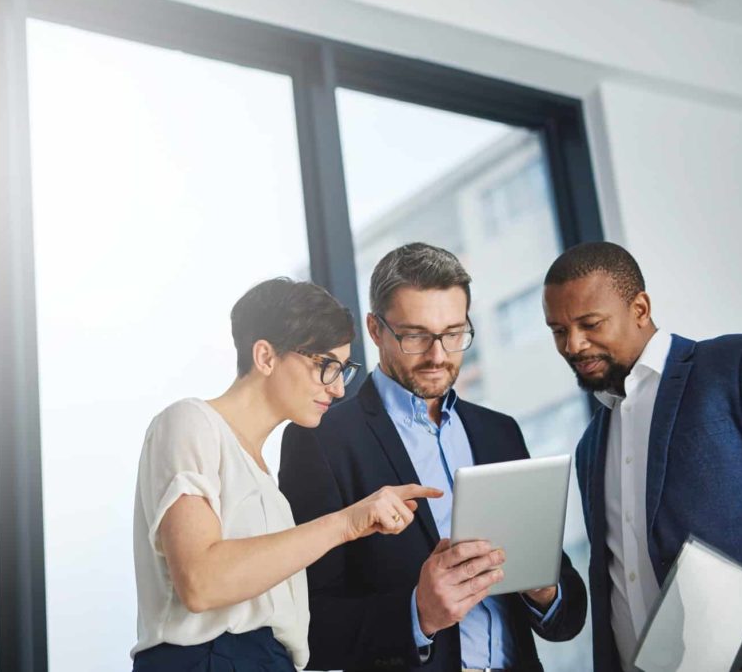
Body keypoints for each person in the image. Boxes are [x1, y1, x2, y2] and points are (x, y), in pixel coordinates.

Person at [281, 243, 587, 671]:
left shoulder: (499, 433)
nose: (439, 355)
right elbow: (306, 624)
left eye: (454, 333)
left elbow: (567, 616)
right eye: (415, 336)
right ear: (375, 329)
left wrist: (544, 592)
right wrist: (416, 614)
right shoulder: (321, 441)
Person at [131, 277, 443, 671]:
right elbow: (201, 581)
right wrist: (346, 523)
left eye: (343, 371)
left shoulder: (267, 485)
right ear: (265, 357)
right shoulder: (190, 421)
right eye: (326, 366)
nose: (338, 390)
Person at [542, 240, 742, 672]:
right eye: (559, 331)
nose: (573, 345)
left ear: (639, 308)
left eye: (589, 323)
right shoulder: (589, 447)